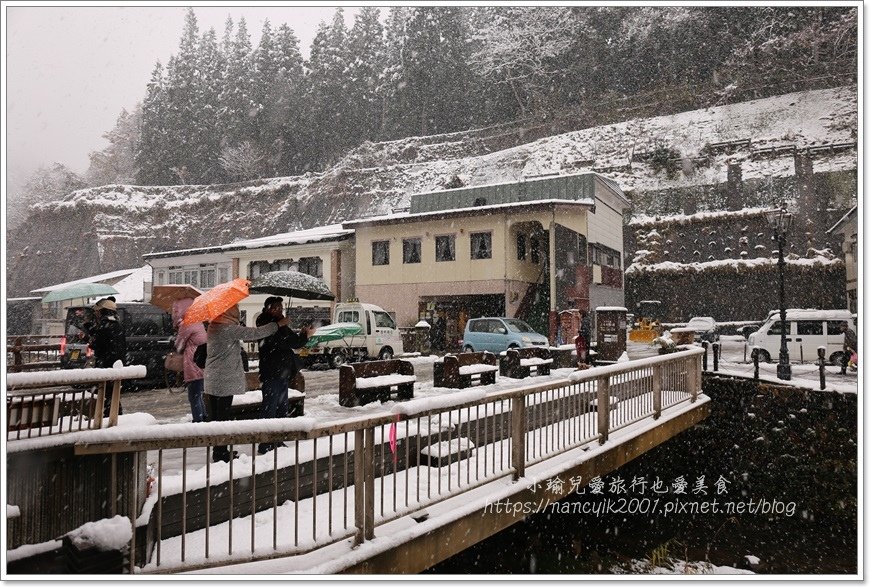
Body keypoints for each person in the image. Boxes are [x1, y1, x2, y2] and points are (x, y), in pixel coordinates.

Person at [204, 304, 289, 462]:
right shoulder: (227, 329)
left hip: (214, 378)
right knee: (222, 418)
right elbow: (254, 333)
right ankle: (221, 453)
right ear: (228, 313)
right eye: (234, 312)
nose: (237, 314)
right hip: (223, 379)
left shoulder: (214, 327)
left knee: (217, 417)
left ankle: (219, 450)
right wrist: (277, 325)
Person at [255, 297, 314, 454]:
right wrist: (280, 326)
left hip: (282, 373)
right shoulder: (264, 323)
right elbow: (280, 342)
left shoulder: (280, 323)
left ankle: (278, 441)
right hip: (271, 372)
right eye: (276, 308)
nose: (279, 310)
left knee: (282, 408)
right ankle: (265, 443)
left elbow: (293, 341)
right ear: (268, 308)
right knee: (269, 409)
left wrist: (303, 334)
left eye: (280, 307)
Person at [85, 298, 127, 417]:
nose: (96, 313)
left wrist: (87, 338)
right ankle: (115, 414)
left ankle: (109, 416)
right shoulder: (117, 324)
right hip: (117, 363)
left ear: (103, 311)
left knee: (105, 392)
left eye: (98, 311)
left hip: (106, 364)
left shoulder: (104, 325)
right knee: (114, 393)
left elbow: (98, 344)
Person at [172, 298, 207, 423]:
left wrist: (179, 328)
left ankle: (198, 421)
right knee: (199, 394)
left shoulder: (187, 323)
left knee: (193, 395)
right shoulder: (198, 322)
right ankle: (203, 417)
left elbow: (179, 345)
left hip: (192, 362)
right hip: (201, 361)